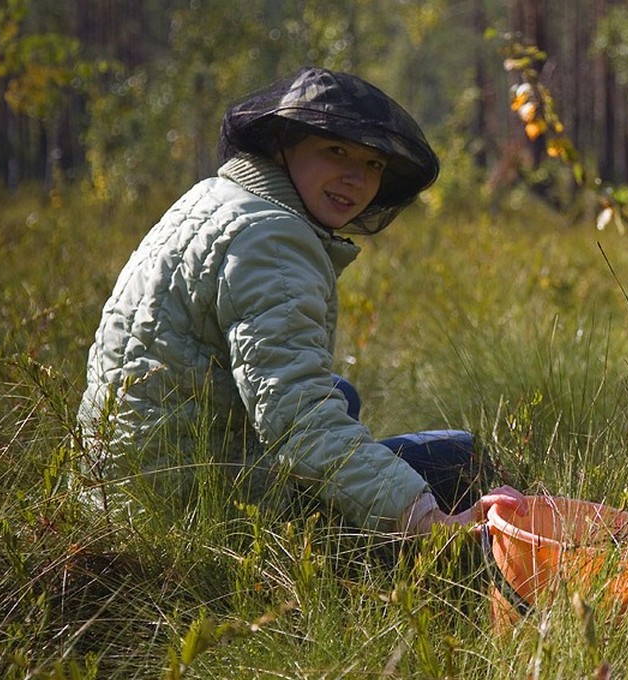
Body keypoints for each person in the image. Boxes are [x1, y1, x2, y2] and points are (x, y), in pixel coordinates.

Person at [78, 67, 524, 533]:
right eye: (336, 152)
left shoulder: (213, 197)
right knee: (459, 454)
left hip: (115, 488)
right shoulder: (271, 239)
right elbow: (297, 417)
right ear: (281, 143)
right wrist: (425, 520)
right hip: (201, 508)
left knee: (341, 394)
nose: (356, 179)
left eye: (374, 164)